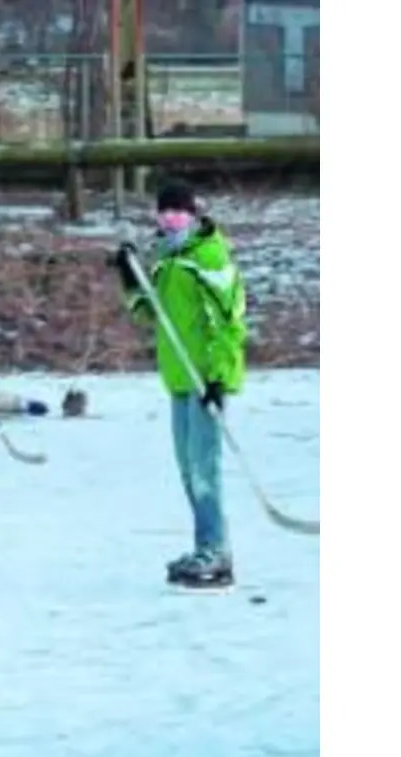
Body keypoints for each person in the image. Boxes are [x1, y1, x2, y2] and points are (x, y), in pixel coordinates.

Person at [112, 180, 247, 590]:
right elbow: (149, 313)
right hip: (178, 379)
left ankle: (216, 551)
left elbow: (229, 322)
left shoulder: (208, 256)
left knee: (204, 469)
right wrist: (129, 275)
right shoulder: (166, 259)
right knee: (188, 469)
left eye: (178, 210)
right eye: (164, 210)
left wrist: (219, 379)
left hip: (205, 377)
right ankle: (204, 545)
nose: (171, 218)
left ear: (193, 213)